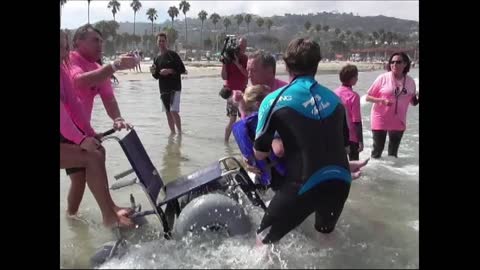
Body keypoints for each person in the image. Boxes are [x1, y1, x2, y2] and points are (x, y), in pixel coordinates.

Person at [253, 38, 352, 244]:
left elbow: (260, 153)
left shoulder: (273, 101)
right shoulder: (335, 100)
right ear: (317, 64)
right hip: (341, 181)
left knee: (263, 240)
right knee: (325, 238)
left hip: (304, 184)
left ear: (286, 64)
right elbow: (344, 147)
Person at [60, 30, 133, 228]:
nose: (64, 50)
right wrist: (115, 65)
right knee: (90, 160)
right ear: (78, 42)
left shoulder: (62, 68)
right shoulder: (72, 64)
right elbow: (79, 83)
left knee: (93, 158)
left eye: (64, 46)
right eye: (95, 41)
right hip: (66, 132)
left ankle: (76, 218)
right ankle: (108, 217)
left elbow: (76, 105)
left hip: (71, 131)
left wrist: (90, 133)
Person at [366, 52, 419, 158]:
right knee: (377, 151)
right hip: (380, 118)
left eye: (398, 62)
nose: (394, 64)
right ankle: (377, 174)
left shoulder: (410, 81)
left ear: (405, 64)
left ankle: (391, 173)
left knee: (393, 154)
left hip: (398, 121)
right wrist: (382, 101)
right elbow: (368, 97)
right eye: (392, 62)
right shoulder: (382, 78)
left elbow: (413, 102)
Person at [150, 32, 187, 135]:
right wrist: (153, 72)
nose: (161, 43)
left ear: (167, 42)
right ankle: (172, 133)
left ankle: (179, 134)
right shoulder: (156, 58)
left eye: (163, 41)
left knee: (174, 111)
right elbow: (156, 76)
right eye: (159, 41)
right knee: (167, 113)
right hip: (163, 89)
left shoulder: (173, 55)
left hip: (175, 87)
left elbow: (182, 69)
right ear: (157, 42)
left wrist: (169, 71)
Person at [221, 37, 248, 142]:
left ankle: (244, 142)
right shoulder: (228, 59)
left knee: (244, 119)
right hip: (231, 92)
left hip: (242, 91)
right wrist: (224, 63)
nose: (242, 48)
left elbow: (247, 74)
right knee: (232, 119)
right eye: (241, 46)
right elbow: (224, 77)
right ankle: (226, 143)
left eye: (244, 47)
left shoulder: (245, 59)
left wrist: (238, 64)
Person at [334, 64, 364, 161]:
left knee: (340, 165)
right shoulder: (354, 96)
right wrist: (360, 141)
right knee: (355, 168)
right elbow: (356, 121)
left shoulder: (334, 93)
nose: (357, 79)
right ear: (351, 79)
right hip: (352, 137)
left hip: (338, 136)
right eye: (356, 76)